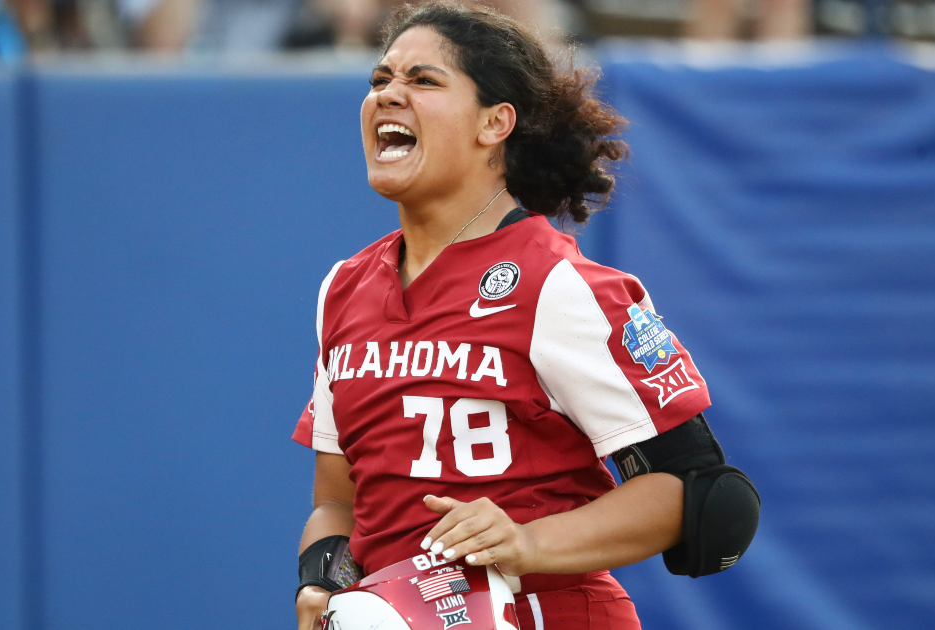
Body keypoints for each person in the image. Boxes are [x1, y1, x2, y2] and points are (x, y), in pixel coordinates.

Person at [292, 4, 758, 629]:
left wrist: (527, 543)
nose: (388, 96)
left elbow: (701, 493)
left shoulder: (555, 284)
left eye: (423, 81)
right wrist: (324, 587)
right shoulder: (343, 288)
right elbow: (336, 503)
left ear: (495, 122)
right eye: (380, 81)